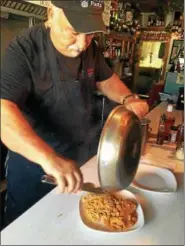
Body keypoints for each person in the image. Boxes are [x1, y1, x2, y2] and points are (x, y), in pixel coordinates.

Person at [1, 0, 149, 225]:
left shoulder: (91, 48)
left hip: (80, 157)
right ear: (51, 14)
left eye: (89, 33)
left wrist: (127, 98)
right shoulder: (23, 50)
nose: (82, 44)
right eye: (74, 31)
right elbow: (3, 111)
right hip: (37, 165)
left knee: (68, 225)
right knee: (26, 226)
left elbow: (106, 79)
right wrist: (48, 158)